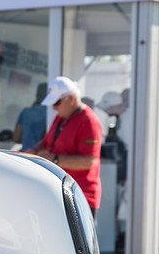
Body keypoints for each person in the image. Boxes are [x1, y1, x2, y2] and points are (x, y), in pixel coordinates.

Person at [27, 76, 103, 214]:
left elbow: (89, 162)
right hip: (61, 192)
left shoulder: (89, 121)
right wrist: (34, 150)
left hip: (80, 196)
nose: (54, 107)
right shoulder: (62, 117)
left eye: (57, 102)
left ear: (71, 99)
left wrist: (54, 159)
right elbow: (46, 142)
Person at [14, 82, 47, 151]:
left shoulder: (25, 112)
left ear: (37, 95)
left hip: (26, 155)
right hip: (42, 158)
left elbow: (16, 138)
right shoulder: (53, 113)